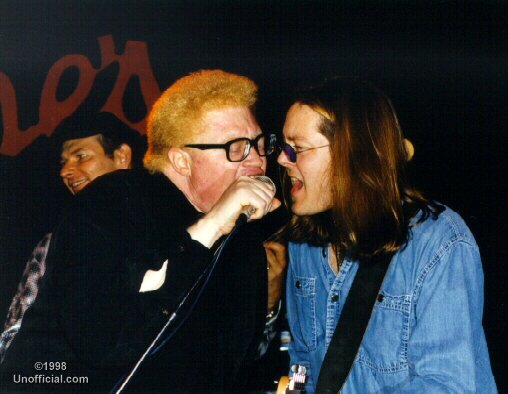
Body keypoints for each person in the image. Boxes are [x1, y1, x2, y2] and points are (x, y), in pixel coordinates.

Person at [0, 69, 281, 393]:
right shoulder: (113, 200)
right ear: (181, 161)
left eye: (261, 144)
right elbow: (104, 339)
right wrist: (212, 226)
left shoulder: (243, 238)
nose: (257, 161)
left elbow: (233, 365)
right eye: (237, 147)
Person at [275, 76, 497, 392]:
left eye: (297, 148)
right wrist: (295, 390)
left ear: (351, 155)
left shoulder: (438, 243)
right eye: (284, 147)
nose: (283, 159)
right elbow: (301, 361)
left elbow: (446, 385)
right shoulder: (304, 243)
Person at [0, 111, 145, 363]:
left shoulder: (163, 225)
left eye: (81, 156)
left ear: (121, 156)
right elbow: (15, 333)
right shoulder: (55, 242)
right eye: (64, 161)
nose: (65, 171)